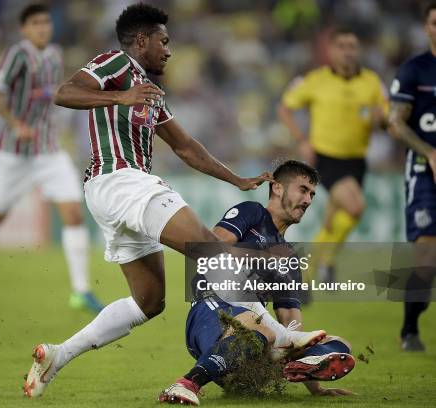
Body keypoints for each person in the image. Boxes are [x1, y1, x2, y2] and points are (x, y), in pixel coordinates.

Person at [23, 3, 271, 398]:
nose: (169, 50)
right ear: (142, 40)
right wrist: (121, 98)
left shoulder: (150, 92)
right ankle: (278, 336)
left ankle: (58, 355)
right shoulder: (114, 64)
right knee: (208, 249)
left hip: (115, 193)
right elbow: (64, 92)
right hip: (120, 180)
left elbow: (187, 147)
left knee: (150, 301)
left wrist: (236, 178)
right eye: (163, 41)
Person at [159, 161, 355, 405]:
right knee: (260, 328)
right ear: (278, 188)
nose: (308, 200)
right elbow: (211, 248)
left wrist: (315, 389)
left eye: (312, 194)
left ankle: (267, 365)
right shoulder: (252, 213)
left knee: (339, 345)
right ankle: (187, 383)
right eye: (303, 190)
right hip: (212, 309)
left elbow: (292, 327)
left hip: (254, 343)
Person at [0, 4, 103, 312]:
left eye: (46, 22)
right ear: (24, 29)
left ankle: (80, 291)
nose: (43, 28)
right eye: (35, 23)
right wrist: (16, 124)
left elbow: (51, 97)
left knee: (73, 213)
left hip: (49, 151)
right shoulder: (17, 54)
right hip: (14, 154)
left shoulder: (55, 55)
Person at [278, 27, 388, 283]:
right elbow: (285, 108)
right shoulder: (316, 80)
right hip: (326, 158)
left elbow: (386, 117)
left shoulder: (371, 82)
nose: (348, 52)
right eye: (342, 47)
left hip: (357, 159)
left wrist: (382, 120)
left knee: (333, 220)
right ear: (331, 50)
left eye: (352, 47)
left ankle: (307, 270)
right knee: (356, 206)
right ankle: (321, 262)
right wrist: (302, 140)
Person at [388, 1, 436, 352]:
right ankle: (409, 329)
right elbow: (395, 122)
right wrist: (429, 152)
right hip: (423, 172)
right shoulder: (415, 70)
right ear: (426, 27)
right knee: (426, 254)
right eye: (435, 23)